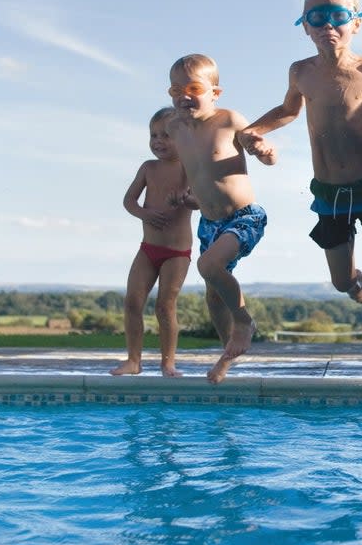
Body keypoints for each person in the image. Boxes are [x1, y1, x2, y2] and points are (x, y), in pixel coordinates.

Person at [238, 0, 362, 304]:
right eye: (317, 17)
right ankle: (355, 281)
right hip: (331, 193)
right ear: (305, 28)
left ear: (355, 23)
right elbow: (288, 111)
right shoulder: (300, 72)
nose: (328, 23)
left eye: (338, 15)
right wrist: (252, 130)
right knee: (340, 283)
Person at [164, 54, 275, 383]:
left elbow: (265, 154)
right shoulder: (174, 128)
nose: (184, 96)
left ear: (215, 92)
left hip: (244, 217)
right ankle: (227, 357)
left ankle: (244, 322)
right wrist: (188, 197)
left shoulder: (229, 120)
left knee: (209, 267)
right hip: (209, 223)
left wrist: (266, 152)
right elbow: (195, 170)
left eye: (194, 88)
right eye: (175, 90)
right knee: (213, 295)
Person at [111, 108, 195, 377]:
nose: (158, 140)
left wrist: (183, 200)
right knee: (132, 301)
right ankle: (133, 361)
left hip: (176, 252)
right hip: (148, 249)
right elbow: (129, 201)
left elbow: (202, 202)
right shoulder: (148, 168)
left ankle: (167, 363)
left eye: (166, 135)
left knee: (165, 305)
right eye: (153, 135)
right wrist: (144, 213)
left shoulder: (189, 168)